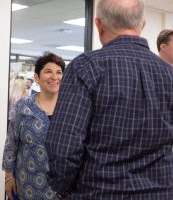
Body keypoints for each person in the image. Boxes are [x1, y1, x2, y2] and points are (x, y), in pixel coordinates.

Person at [46, 0, 173, 199]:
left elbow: (64, 147)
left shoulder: (85, 67)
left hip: (99, 192)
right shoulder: (169, 74)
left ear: (98, 24)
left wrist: (63, 189)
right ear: (142, 24)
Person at [2, 52, 65, 200]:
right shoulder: (23, 106)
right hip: (28, 185)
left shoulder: (72, 107)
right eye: (48, 72)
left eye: (59, 72)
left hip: (64, 187)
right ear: (37, 78)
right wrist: (8, 177)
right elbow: (11, 143)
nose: (54, 77)